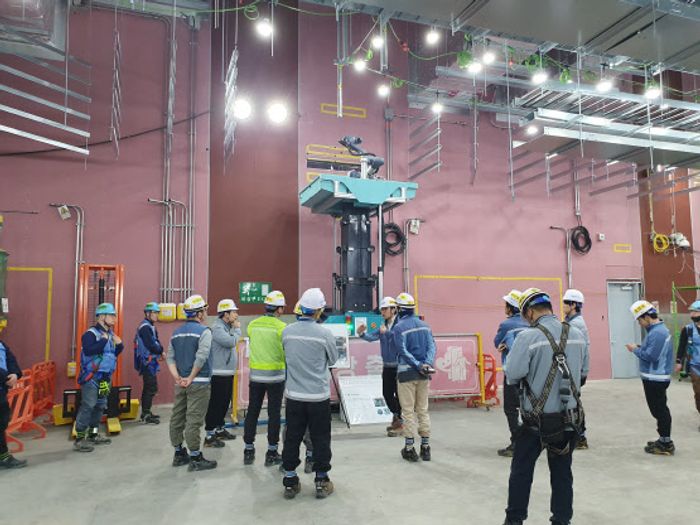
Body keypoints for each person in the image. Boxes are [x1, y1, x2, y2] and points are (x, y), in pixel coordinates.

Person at [503, 287, 587, 525]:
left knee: (521, 473)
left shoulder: (527, 337)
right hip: (568, 420)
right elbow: (582, 374)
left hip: (535, 423)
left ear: (529, 312)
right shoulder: (577, 334)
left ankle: (514, 521)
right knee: (562, 474)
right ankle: (562, 520)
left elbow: (513, 374)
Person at [280, 288, 339, 500]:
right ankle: (321, 481)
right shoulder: (325, 334)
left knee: (292, 438)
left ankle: (289, 481)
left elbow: (286, 355)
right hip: (318, 397)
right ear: (318, 311)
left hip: (294, 396)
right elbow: (333, 360)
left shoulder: (287, 331)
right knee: (320, 438)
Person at [167, 294, 217, 471]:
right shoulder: (204, 332)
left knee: (177, 417)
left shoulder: (176, 333)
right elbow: (201, 357)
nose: (205, 313)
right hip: (199, 382)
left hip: (180, 383)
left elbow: (170, 358)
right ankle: (195, 457)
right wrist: (191, 377)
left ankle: (179, 453)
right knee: (194, 420)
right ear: (200, 313)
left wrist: (178, 378)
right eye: (204, 309)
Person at [243, 290, 287, 467]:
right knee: (274, 413)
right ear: (279, 309)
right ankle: (271, 452)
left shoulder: (252, 325)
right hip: (276, 377)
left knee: (253, 411)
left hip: (256, 377)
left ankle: (248, 449)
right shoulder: (282, 328)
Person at [392, 292, 436, 462]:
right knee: (423, 409)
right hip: (424, 374)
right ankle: (425, 447)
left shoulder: (398, 328)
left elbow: (402, 351)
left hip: (406, 374)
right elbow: (432, 345)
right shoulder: (425, 326)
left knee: (408, 411)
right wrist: (426, 364)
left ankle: (409, 448)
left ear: (399, 309)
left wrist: (417, 364)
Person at [74, 302, 123, 453]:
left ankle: (93, 435)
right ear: (102, 317)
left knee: (100, 405)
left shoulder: (110, 335)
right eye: (111, 315)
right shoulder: (90, 334)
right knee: (88, 405)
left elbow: (113, 353)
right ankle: (80, 438)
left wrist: (120, 345)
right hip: (92, 378)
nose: (114, 318)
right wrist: (102, 340)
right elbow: (89, 351)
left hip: (105, 377)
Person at [627, 300, 674, 455]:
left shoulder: (658, 333)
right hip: (653, 377)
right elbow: (652, 352)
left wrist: (635, 349)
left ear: (647, 316)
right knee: (658, 409)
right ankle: (663, 438)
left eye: (640, 320)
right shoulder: (656, 331)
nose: (640, 323)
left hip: (656, 378)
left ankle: (666, 443)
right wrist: (640, 348)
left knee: (659, 410)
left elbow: (652, 356)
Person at [357, 296, 402, 437]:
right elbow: (371, 337)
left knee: (400, 395)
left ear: (393, 309)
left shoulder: (400, 325)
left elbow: (399, 340)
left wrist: (387, 333)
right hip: (387, 366)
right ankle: (398, 417)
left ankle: (400, 421)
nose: (383, 312)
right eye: (382, 309)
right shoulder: (383, 325)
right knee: (387, 394)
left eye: (385, 309)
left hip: (399, 366)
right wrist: (361, 333)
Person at [494, 289, 528, 457]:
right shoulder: (530, 322)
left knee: (511, 408)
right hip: (530, 374)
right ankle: (531, 441)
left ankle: (516, 442)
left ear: (511, 307)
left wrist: (506, 345)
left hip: (512, 374)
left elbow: (496, 342)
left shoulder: (506, 325)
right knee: (527, 407)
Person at [203, 299, 241, 447]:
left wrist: (233, 328)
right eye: (234, 312)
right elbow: (231, 342)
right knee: (216, 404)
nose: (236, 315)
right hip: (219, 373)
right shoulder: (218, 328)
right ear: (226, 314)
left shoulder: (226, 326)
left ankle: (220, 429)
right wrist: (237, 329)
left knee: (224, 403)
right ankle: (209, 435)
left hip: (227, 372)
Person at [562, 289, 590, 449]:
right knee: (572, 402)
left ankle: (580, 436)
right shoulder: (571, 322)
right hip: (572, 370)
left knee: (574, 404)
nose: (563, 305)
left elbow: (583, 350)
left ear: (573, 305)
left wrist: (582, 372)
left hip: (575, 370)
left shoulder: (576, 325)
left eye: (566, 303)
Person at [134, 302, 164, 424]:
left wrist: (160, 351)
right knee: (150, 387)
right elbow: (152, 345)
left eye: (157, 313)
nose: (157, 315)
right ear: (148, 313)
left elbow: (155, 342)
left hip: (150, 362)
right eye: (155, 313)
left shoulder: (149, 326)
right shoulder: (145, 327)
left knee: (149, 387)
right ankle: (145, 415)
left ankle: (146, 412)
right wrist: (160, 350)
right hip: (147, 363)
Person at [0, 339, 26, 468]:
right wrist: (6, 378)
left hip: (1, 391)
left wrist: (15, 374)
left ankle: (3, 457)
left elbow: (11, 359)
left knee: (1, 424)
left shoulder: (2, 344)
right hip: (2, 382)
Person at [675, 300, 700, 430]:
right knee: (698, 394)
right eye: (691, 311)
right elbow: (682, 346)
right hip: (695, 366)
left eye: (695, 311)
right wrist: (679, 361)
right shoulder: (687, 329)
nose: (692, 314)